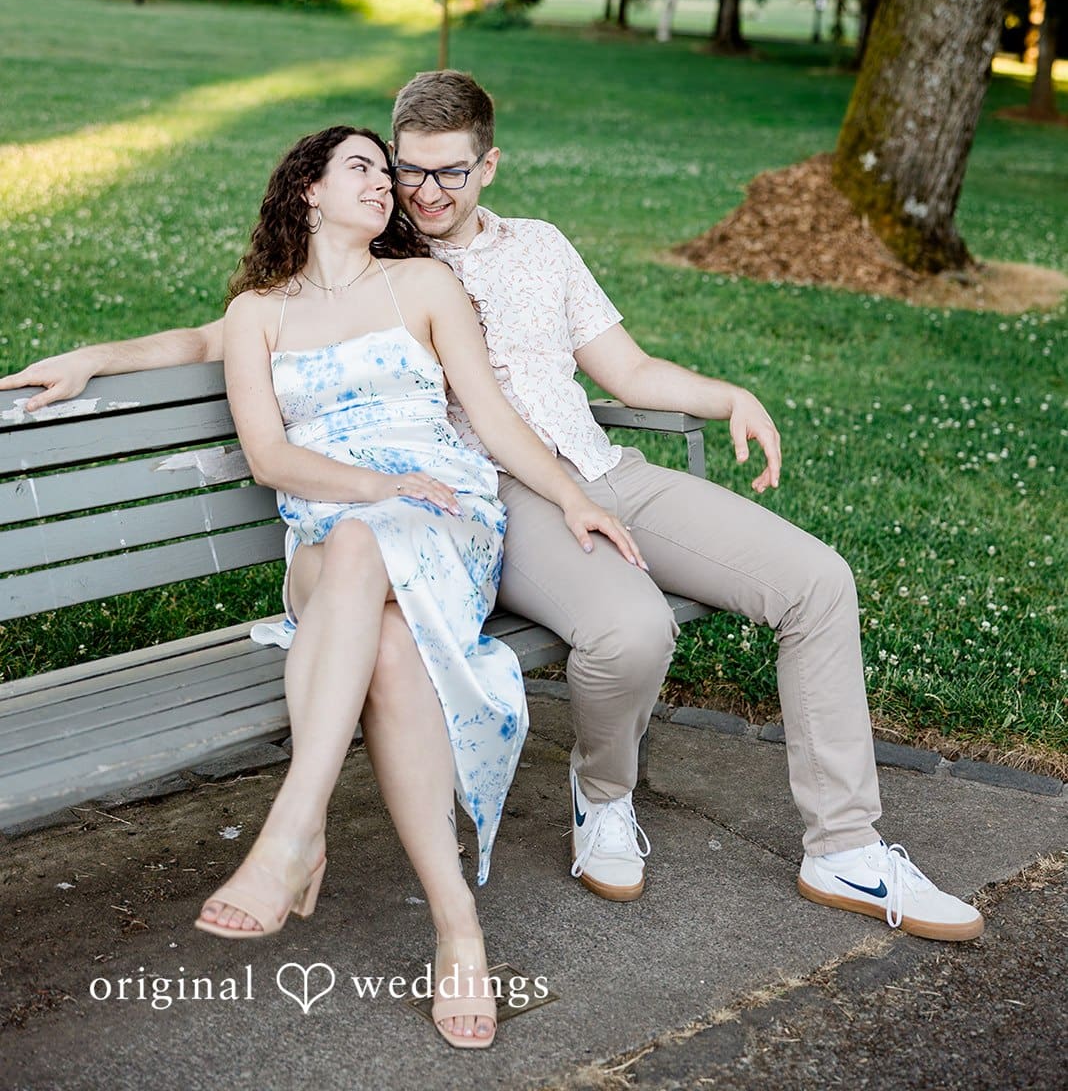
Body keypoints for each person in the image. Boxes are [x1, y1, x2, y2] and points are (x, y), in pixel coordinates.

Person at [4, 75, 984, 944]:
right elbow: (226, 331)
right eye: (406, 171)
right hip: (494, 497)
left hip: (601, 465)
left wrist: (726, 394)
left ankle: (845, 845)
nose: (424, 193)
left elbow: (627, 369)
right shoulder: (385, 265)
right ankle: (603, 797)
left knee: (818, 581)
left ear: (488, 164)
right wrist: (99, 356)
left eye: (448, 174)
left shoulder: (541, 250)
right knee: (630, 630)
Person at [162, 124, 641, 1050]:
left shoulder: (423, 285)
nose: (386, 185)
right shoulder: (258, 312)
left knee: (364, 562)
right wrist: (93, 359)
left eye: (389, 173)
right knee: (361, 586)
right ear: (306, 188)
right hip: (331, 522)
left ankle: (298, 835)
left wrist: (572, 499)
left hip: (441, 513)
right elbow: (268, 456)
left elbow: (493, 418)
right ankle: (455, 925)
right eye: (362, 170)